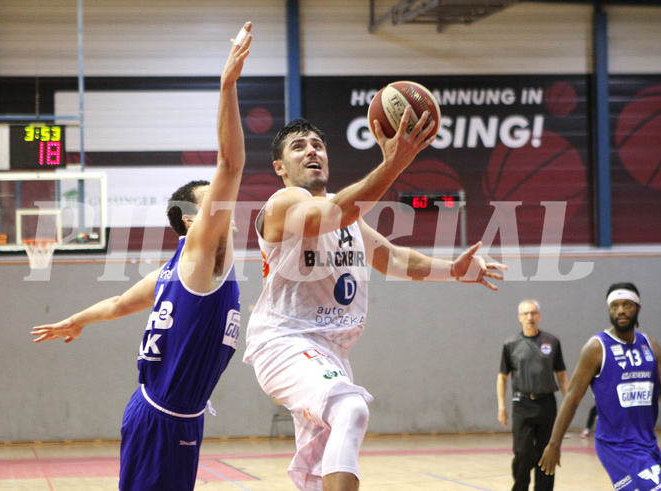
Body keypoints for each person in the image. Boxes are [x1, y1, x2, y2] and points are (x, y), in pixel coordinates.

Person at [30, 22, 253, 491]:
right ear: (192, 220)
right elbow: (231, 164)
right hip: (165, 420)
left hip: (167, 413)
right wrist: (227, 86)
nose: (223, 201)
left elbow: (115, 305)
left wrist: (76, 320)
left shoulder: (170, 275)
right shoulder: (199, 257)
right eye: (211, 198)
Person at [243, 113, 507, 491]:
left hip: (331, 351)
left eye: (317, 144)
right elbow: (337, 213)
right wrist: (394, 163)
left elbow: (392, 259)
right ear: (280, 168)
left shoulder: (345, 210)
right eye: (298, 147)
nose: (312, 151)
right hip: (285, 342)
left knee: (320, 471)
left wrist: (455, 269)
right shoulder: (284, 202)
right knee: (350, 408)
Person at [539, 283, 661, 490]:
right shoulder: (597, 348)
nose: (620, 310)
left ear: (638, 308)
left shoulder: (650, 345)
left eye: (627, 305)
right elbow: (572, 398)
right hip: (615, 446)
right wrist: (554, 444)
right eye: (614, 306)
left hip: (647, 443)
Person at [497, 299, 569, 491]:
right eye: (526, 314)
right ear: (519, 318)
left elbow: (561, 375)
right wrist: (501, 406)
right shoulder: (511, 344)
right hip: (522, 404)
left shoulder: (552, 342)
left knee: (548, 452)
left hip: (547, 404)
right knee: (523, 453)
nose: (530, 317)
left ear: (539, 316)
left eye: (534, 313)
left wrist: (570, 401)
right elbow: (502, 377)